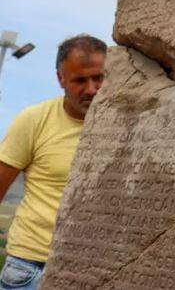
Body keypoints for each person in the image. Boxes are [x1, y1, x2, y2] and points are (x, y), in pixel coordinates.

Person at [0, 35, 107, 290]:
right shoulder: (33, 120)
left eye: (98, 78)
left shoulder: (126, 125)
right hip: (30, 268)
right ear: (60, 79)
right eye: (80, 80)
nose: (91, 89)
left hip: (94, 271)